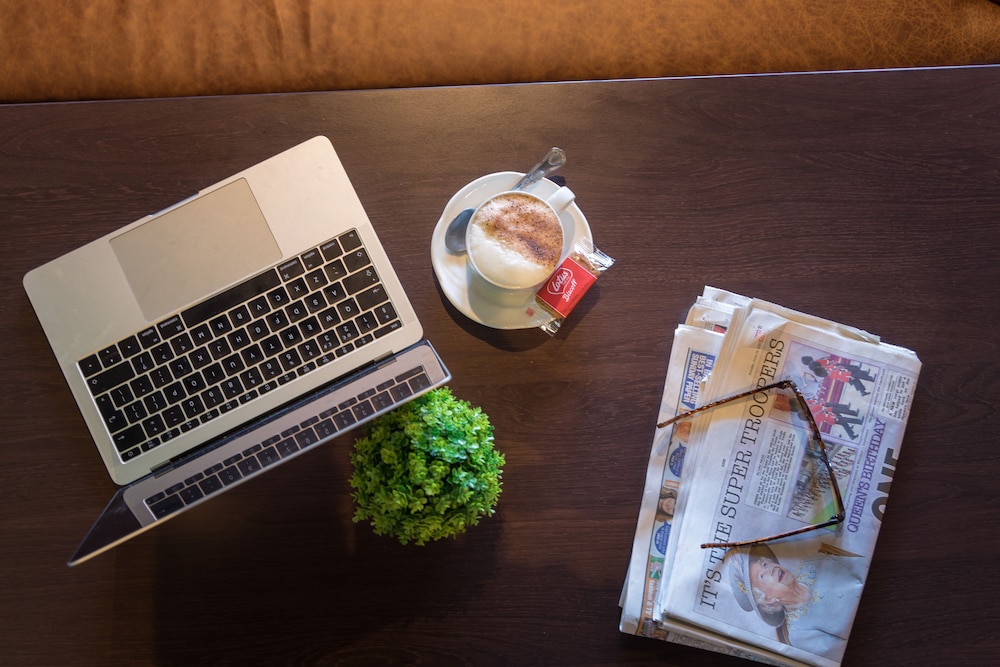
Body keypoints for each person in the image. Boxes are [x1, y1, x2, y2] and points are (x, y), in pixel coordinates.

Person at [727, 543, 864, 662]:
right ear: (768, 599)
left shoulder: (810, 564)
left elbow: (862, 566)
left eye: (765, 564)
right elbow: (847, 654)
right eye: (762, 576)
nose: (770, 569)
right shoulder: (799, 634)